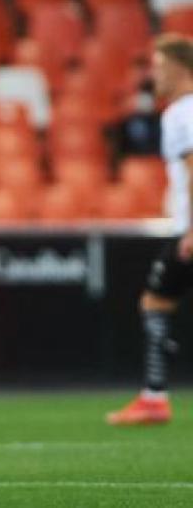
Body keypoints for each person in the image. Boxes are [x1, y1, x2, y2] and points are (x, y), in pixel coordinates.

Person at [107, 34, 193, 426]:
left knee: (155, 303)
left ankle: (155, 397)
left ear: (179, 67)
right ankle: (154, 395)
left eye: (158, 65)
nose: (153, 74)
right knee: (156, 300)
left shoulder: (181, 113)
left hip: (188, 229)